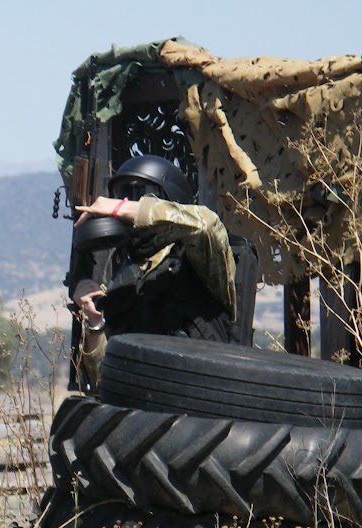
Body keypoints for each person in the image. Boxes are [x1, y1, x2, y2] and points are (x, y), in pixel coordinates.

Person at [68, 154, 243, 388]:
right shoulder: (121, 283)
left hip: (203, 409)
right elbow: (103, 384)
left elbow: (206, 225)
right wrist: (94, 322)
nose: (126, 207)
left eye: (138, 195)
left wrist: (124, 208)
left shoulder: (200, 262)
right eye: (122, 196)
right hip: (146, 413)